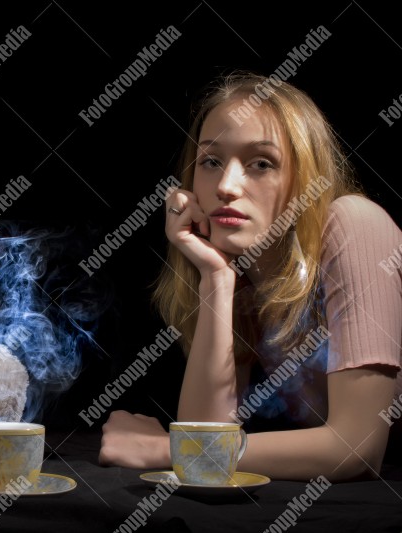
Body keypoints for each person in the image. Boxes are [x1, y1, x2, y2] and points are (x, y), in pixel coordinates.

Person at [99, 72, 402, 481]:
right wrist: (216, 280)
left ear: (304, 179)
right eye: (210, 161)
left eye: (261, 163)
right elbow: (208, 434)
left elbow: (357, 447)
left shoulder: (354, 225)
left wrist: (163, 449)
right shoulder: (241, 272)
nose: (226, 185)